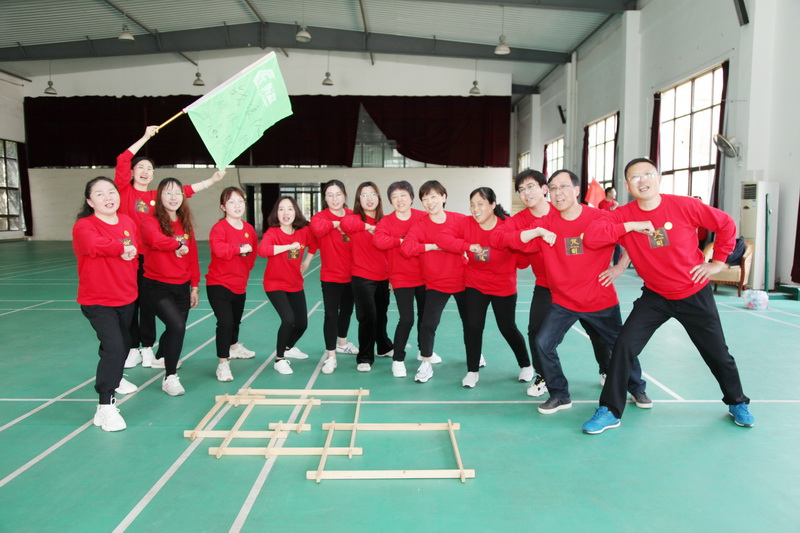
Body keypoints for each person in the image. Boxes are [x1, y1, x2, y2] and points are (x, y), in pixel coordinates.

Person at [581, 157, 753, 434]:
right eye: (635, 177)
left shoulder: (685, 206)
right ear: (627, 185)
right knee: (624, 346)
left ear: (658, 178)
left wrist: (718, 262)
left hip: (693, 293)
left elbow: (726, 224)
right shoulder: (623, 214)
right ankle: (610, 410)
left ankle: (737, 402)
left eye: (647, 174)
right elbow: (592, 237)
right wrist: (630, 227)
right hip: (656, 296)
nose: (642, 180)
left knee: (718, 354)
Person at [503, 169, 649, 415]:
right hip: (564, 301)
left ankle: (636, 387)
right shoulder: (546, 223)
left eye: (564, 187)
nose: (558, 192)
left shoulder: (599, 217)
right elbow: (508, 240)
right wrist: (536, 232)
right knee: (543, 343)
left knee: (620, 346)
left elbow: (632, 239)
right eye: (554, 188)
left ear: (577, 190)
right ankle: (560, 394)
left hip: (600, 300)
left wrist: (620, 267)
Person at [115, 126, 225, 369]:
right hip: (129, 257)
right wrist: (145, 137)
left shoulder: (156, 196)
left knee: (147, 306)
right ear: (132, 172)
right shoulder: (124, 192)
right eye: (140, 167)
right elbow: (122, 158)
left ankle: (147, 348)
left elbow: (183, 192)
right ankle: (132, 348)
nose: (145, 172)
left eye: (149, 169)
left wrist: (211, 180)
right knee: (130, 304)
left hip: (150, 258)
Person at [438, 187, 533, 388]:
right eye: (472, 204)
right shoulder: (466, 223)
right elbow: (442, 238)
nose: (476, 209)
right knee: (473, 326)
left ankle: (525, 364)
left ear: (492, 205)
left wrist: (519, 251)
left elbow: (523, 260)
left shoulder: (507, 225)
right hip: (475, 283)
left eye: (480, 204)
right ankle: (472, 371)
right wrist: (467, 246)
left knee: (507, 327)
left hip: (503, 285)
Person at [73, 177, 139, 431]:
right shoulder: (84, 226)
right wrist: (120, 248)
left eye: (111, 192)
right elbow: (93, 245)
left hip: (126, 296)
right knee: (114, 346)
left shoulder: (127, 222)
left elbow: (135, 251)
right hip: (98, 300)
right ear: (90, 201)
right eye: (99, 194)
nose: (108, 197)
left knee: (122, 344)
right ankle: (105, 406)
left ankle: (116, 377)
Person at [401, 180, 468, 384]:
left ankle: (475, 355)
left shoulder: (459, 220)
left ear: (444, 197)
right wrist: (431, 246)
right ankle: (426, 362)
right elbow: (407, 248)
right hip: (436, 283)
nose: (429, 202)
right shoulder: (420, 226)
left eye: (434, 196)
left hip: (463, 281)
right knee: (428, 324)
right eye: (425, 198)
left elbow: (478, 237)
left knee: (471, 323)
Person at [139, 177, 201, 396]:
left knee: (175, 329)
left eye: (177, 193)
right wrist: (176, 244)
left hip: (181, 286)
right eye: (168, 192)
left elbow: (192, 257)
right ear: (159, 196)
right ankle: (170, 377)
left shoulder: (185, 224)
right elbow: (155, 240)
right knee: (177, 326)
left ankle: (162, 356)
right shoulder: (150, 221)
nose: (173, 197)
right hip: (157, 286)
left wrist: (194, 286)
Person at [373, 181, 429, 378]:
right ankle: (398, 359)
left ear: (412, 198)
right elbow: (379, 241)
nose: (400, 200)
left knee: (425, 318)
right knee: (407, 319)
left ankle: (424, 352)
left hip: (425, 276)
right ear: (390, 201)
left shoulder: (422, 217)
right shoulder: (386, 222)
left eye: (403, 195)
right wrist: (402, 242)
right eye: (395, 197)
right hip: (400, 277)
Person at [206, 187, 258, 382]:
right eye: (231, 202)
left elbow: (252, 255)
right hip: (218, 283)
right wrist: (238, 248)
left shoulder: (249, 230)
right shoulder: (219, 228)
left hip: (240, 284)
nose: (237, 206)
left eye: (240, 201)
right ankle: (223, 363)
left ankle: (234, 347)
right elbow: (219, 249)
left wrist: (244, 271)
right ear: (223, 207)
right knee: (225, 322)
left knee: (235, 321)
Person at [259, 197, 316, 374]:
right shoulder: (272, 233)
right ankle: (279, 359)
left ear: (295, 212)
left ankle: (288, 347)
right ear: (276, 213)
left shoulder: (303, 232)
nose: (286, 213)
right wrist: (287, 246)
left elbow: (315, 243)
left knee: (302, 324)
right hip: (274, 284)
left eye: (290, 209)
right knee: (288, 320)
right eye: (281, 209)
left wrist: (306, 262)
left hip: (295, 283)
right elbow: (263, 250)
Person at [341, 182, 393, 372]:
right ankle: (364, 357)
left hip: (383, 276)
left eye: (373, 194)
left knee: (381, 315)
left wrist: (392, 277)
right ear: (358, 200)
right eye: (364, 195)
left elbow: (391, 251)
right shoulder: (353, 220)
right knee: (367, 316)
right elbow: (345, 224)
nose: (369, 199)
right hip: (362, 276)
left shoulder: (386, 222)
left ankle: (384, 346)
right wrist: (368, 227)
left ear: (379, 198)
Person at [310, 180, 358, 374]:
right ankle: (331, 356)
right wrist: (338, 223)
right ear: (325, 198)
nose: (334, 199)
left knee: (347, 311)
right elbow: (318, 230)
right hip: (330, 276)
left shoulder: (354, 215)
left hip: (353, 274)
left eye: (338, 194)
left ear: (344, 196)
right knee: (331, 314)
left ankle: (342, 343)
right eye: (330, 195)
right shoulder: (319, 218)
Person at [598, 186, 622, 265]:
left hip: (615, 228)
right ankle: (604, 264)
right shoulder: (602, 203)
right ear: (608, 193)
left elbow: (618, 215)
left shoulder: (615, 202)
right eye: (613, 192)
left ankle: (615, 264)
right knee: (607, 248)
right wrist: (614, 207)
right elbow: (606, 215)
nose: (615, 194)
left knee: (617, 247)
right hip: (606, 228)